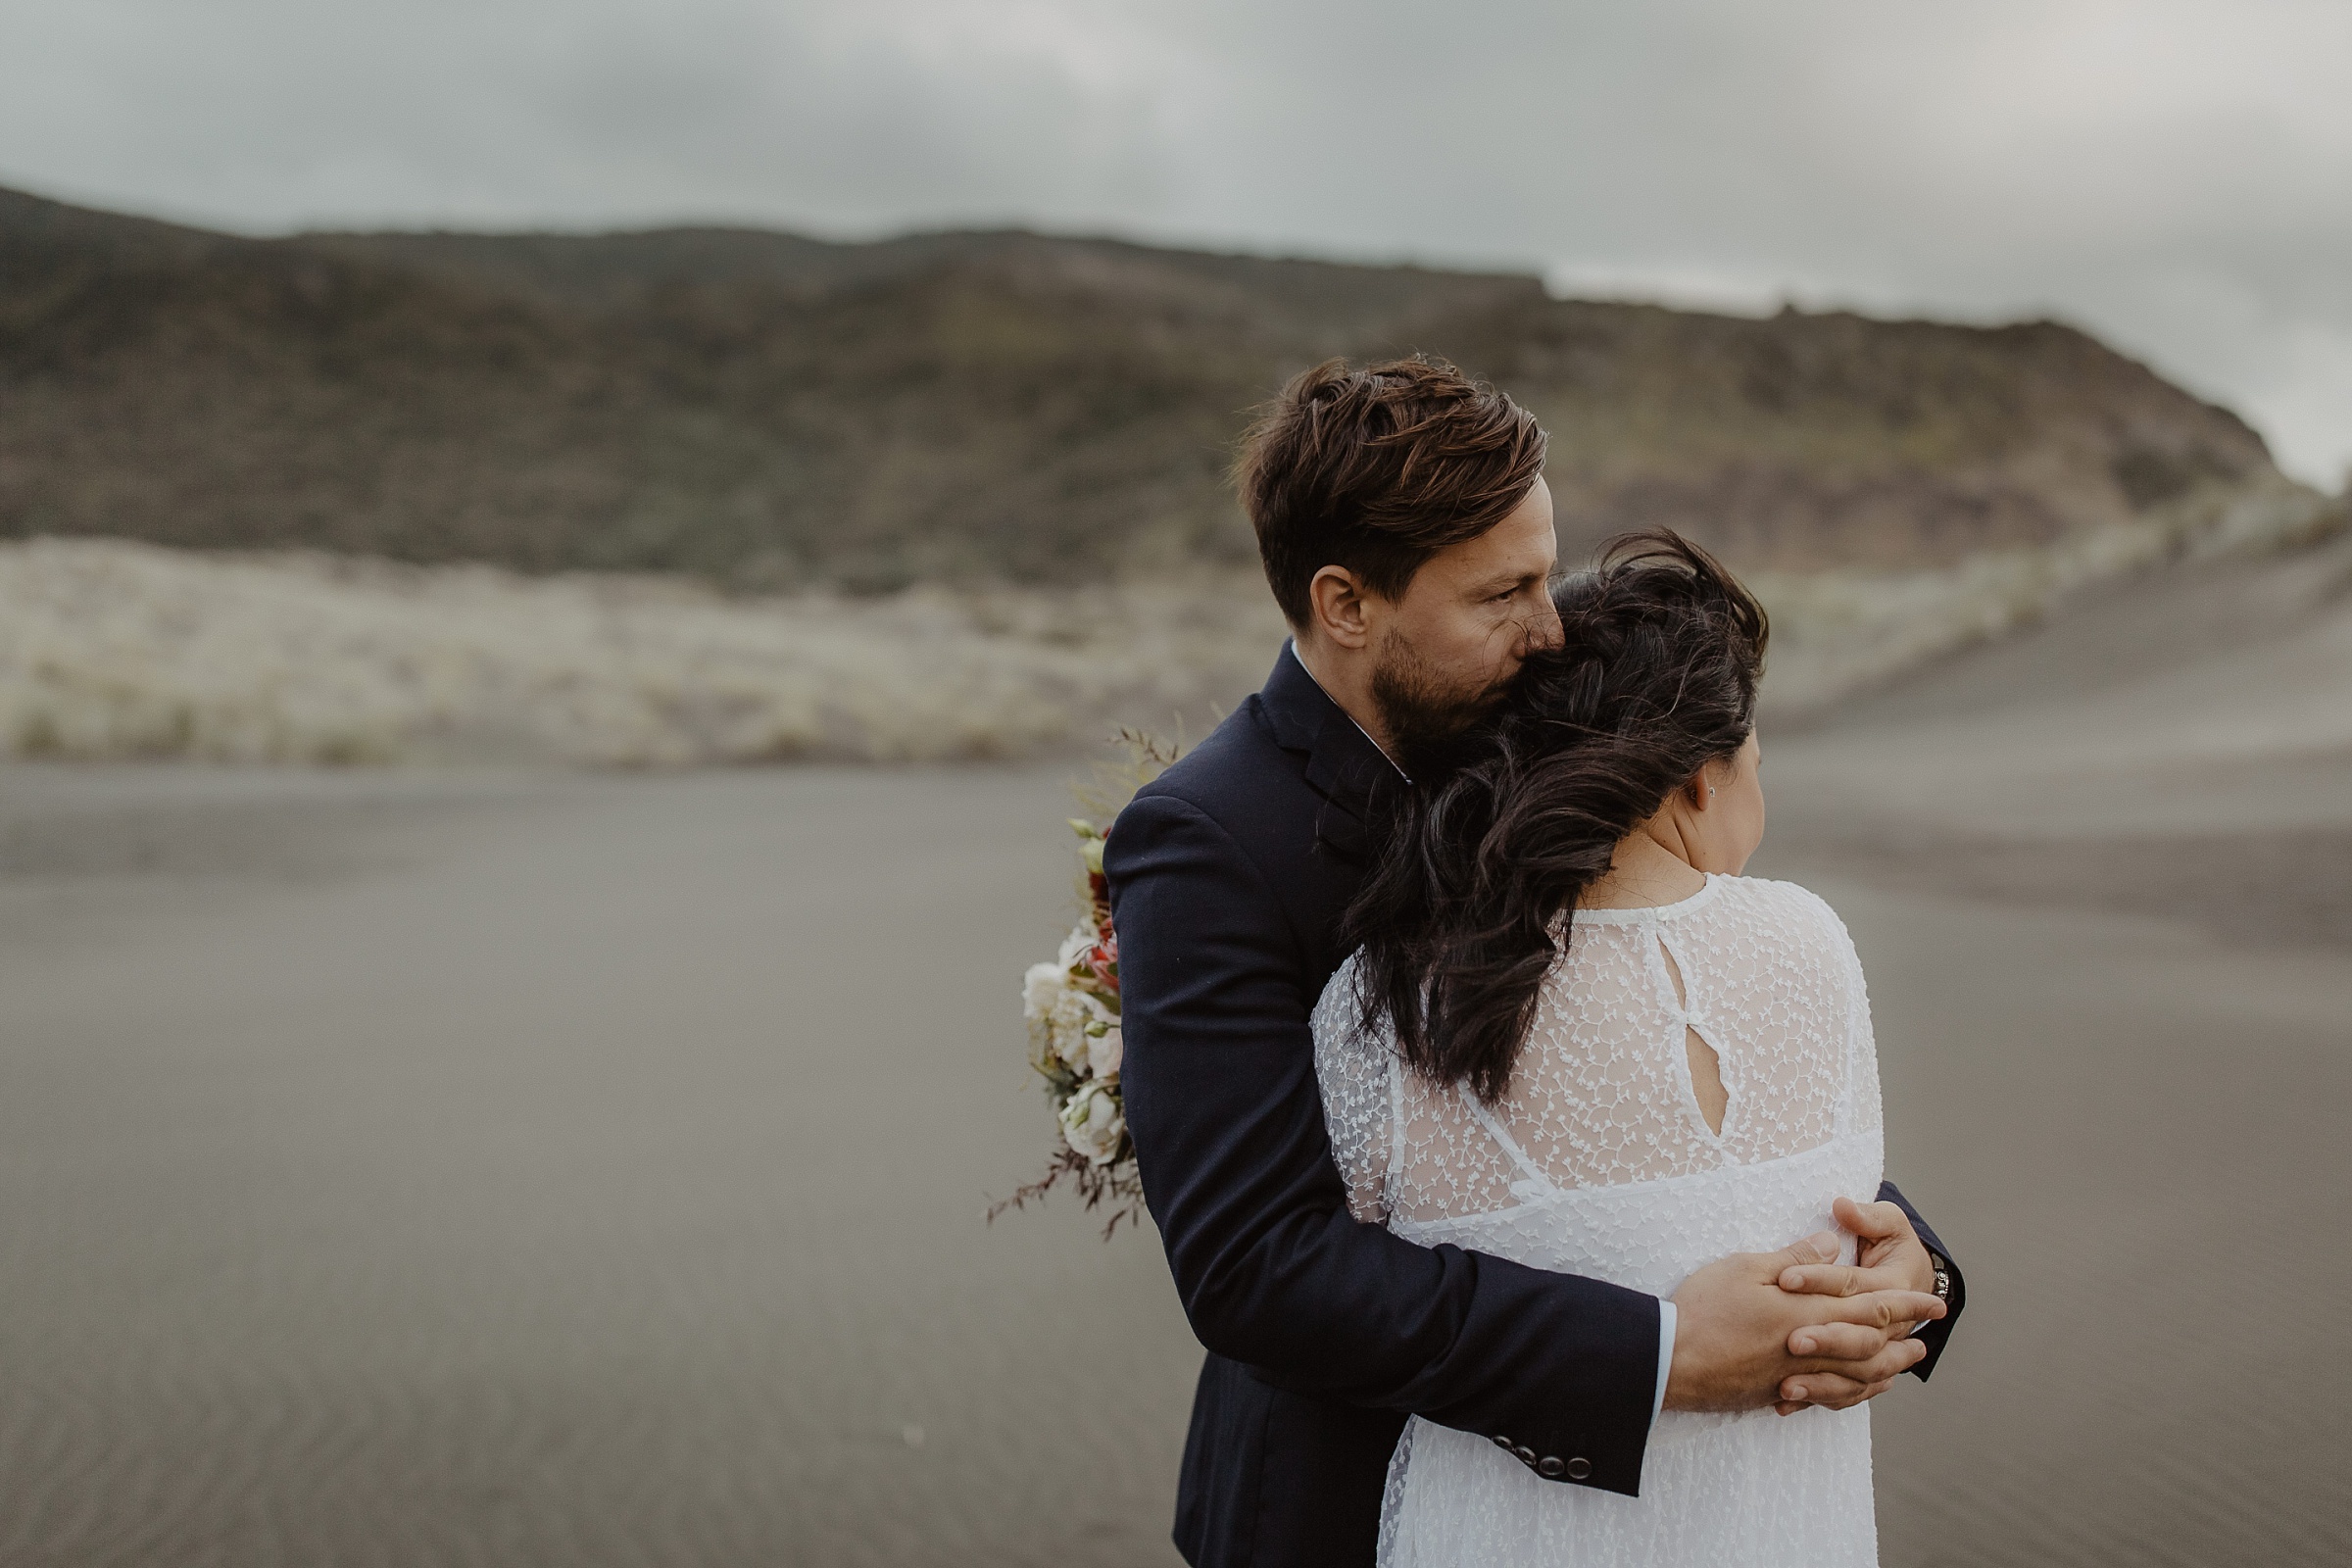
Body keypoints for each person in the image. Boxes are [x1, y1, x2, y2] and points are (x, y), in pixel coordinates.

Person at [1103, 358, 1962, 1568]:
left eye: (1544, 572)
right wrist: (1660, 1353)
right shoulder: (1207, 840)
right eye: (1501, 592)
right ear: (1346, 603)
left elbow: (1657, 1040)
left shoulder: (1528, 703)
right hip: (1352, 1499)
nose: (1550, 627)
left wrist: (1894, 1254)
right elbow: (1257, 1264)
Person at [1321, 528, 1895, 1565]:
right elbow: (1830, 1204)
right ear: (1697, 783)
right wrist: (1900, 1275)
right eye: (1757, 761)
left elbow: (1338, 1284)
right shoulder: (1812, 940)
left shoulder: (1391, 993)